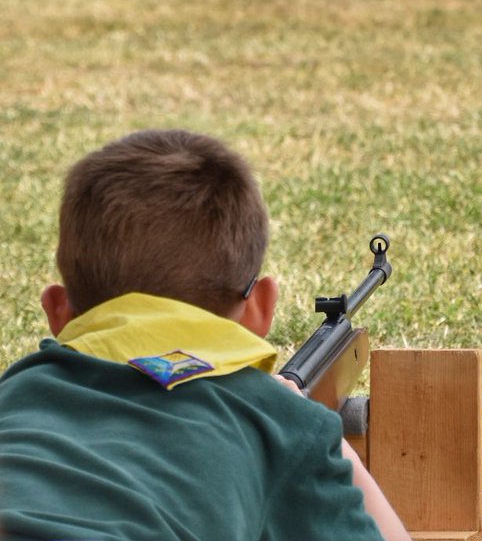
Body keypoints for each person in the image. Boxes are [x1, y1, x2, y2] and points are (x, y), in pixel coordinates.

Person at [0, 129, 412, 541]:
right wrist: (317, 433)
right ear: (261, 308)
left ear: (57, 311)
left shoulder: (15, 392)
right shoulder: (279, 425)